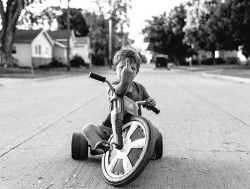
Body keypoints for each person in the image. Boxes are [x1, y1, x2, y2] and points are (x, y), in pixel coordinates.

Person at [82, 46, 156, 155]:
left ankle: (147, 150)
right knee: (88, 129)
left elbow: (147, 103)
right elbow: (119, 93)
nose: (128, 70)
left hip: (134, 130)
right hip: (111, 129)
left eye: (132, 68)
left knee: (155, 132)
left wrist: (150, 102)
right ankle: (103, 148)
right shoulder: (112, 86)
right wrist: (125, 80)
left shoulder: (140, 88)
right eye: (122, 67)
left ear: (137, 72)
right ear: (114, 69)